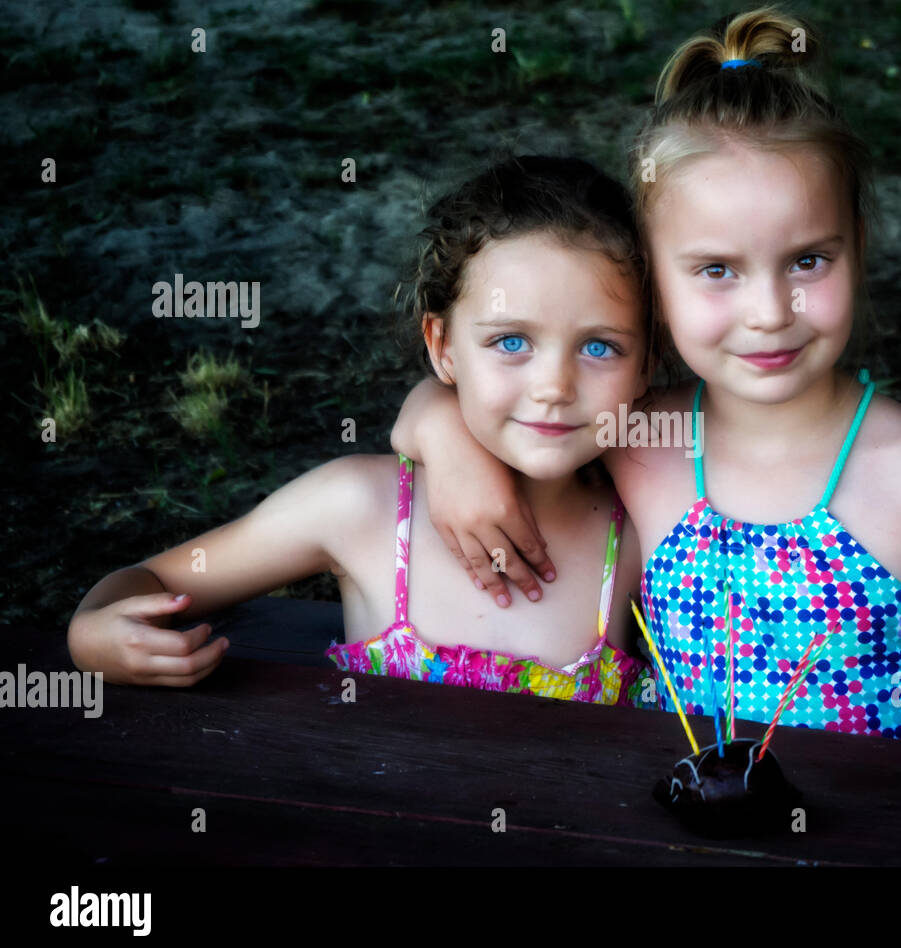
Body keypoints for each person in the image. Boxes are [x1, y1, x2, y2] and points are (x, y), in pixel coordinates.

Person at [391, 11, 901, 753]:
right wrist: (442, 434)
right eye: (717, 270)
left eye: (809, 260)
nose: (767, 313)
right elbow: (488, 402)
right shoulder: (635, 439)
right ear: (651, 280)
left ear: (857, 245)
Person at [67, 155, 652, 705]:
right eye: (511, 341)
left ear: (648, 363)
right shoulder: (359, 507)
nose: (554, 385)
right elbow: (150, 579)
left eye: (600, 346)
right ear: (443, 347)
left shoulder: (645, 532)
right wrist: (90, 637)